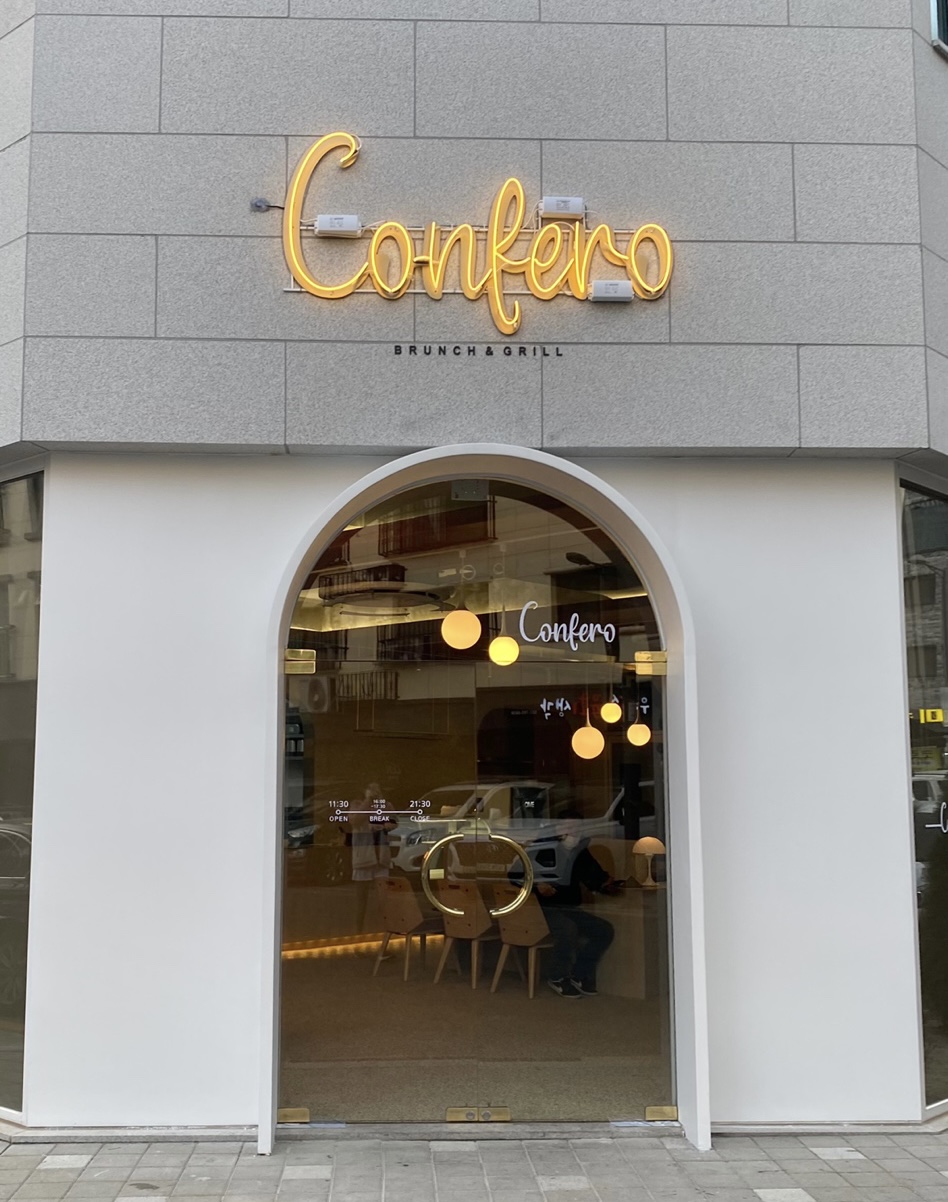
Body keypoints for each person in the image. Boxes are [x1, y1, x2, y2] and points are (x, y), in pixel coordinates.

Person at [533, 810, 621, 998]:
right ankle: (557, 976)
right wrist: (538, 885)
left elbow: (595, 877)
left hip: (570, 907)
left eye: (577, 828)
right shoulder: (542, 848)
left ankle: (579, 974)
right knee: (568, 929)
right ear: (557, 828)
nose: (572, 832)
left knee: (604, 930)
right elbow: (517, 875)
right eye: (568, 827)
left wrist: (607, 884)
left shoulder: (580, 851)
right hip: (543, 908)